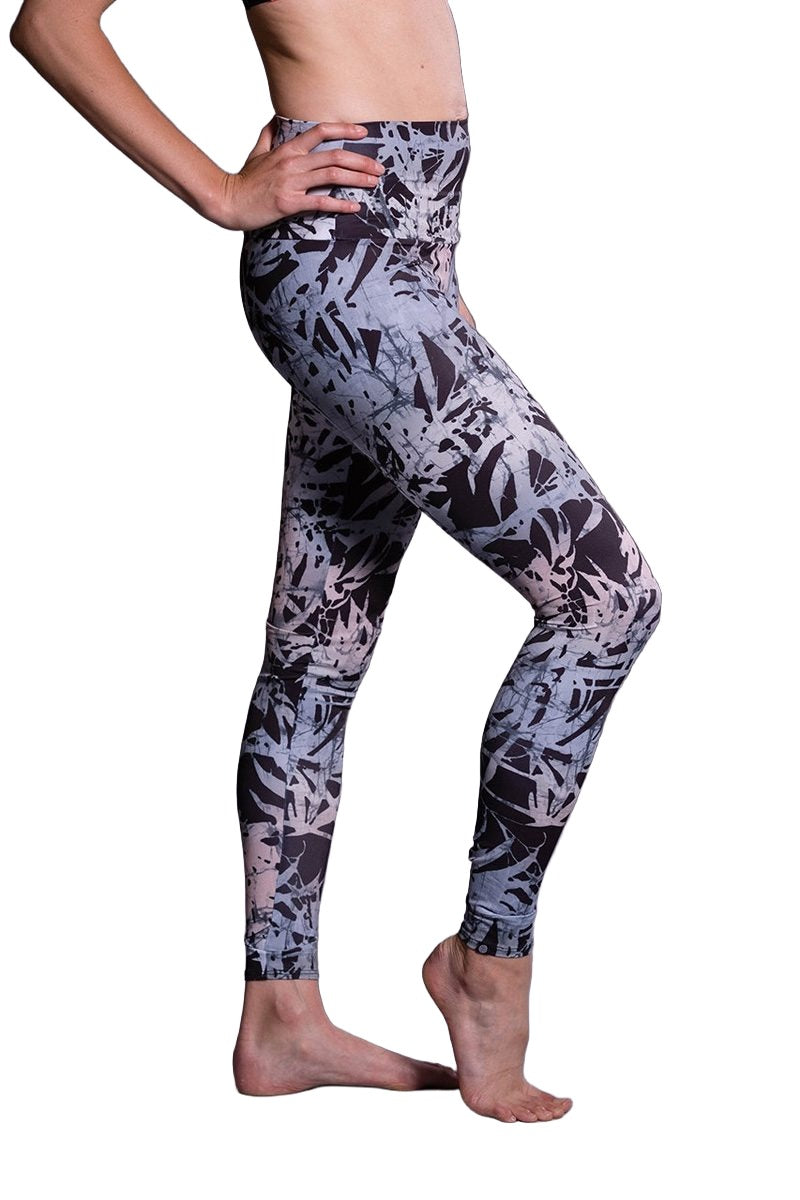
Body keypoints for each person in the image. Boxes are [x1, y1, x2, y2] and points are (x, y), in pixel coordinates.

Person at [10, 0, 662, 1124]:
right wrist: (221, 192)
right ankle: (489, 962)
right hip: (343, 266)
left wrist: (437, 279)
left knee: (319, 649)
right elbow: (51, 23)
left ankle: (281, 1019)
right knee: (604, 600)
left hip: (409, 258)